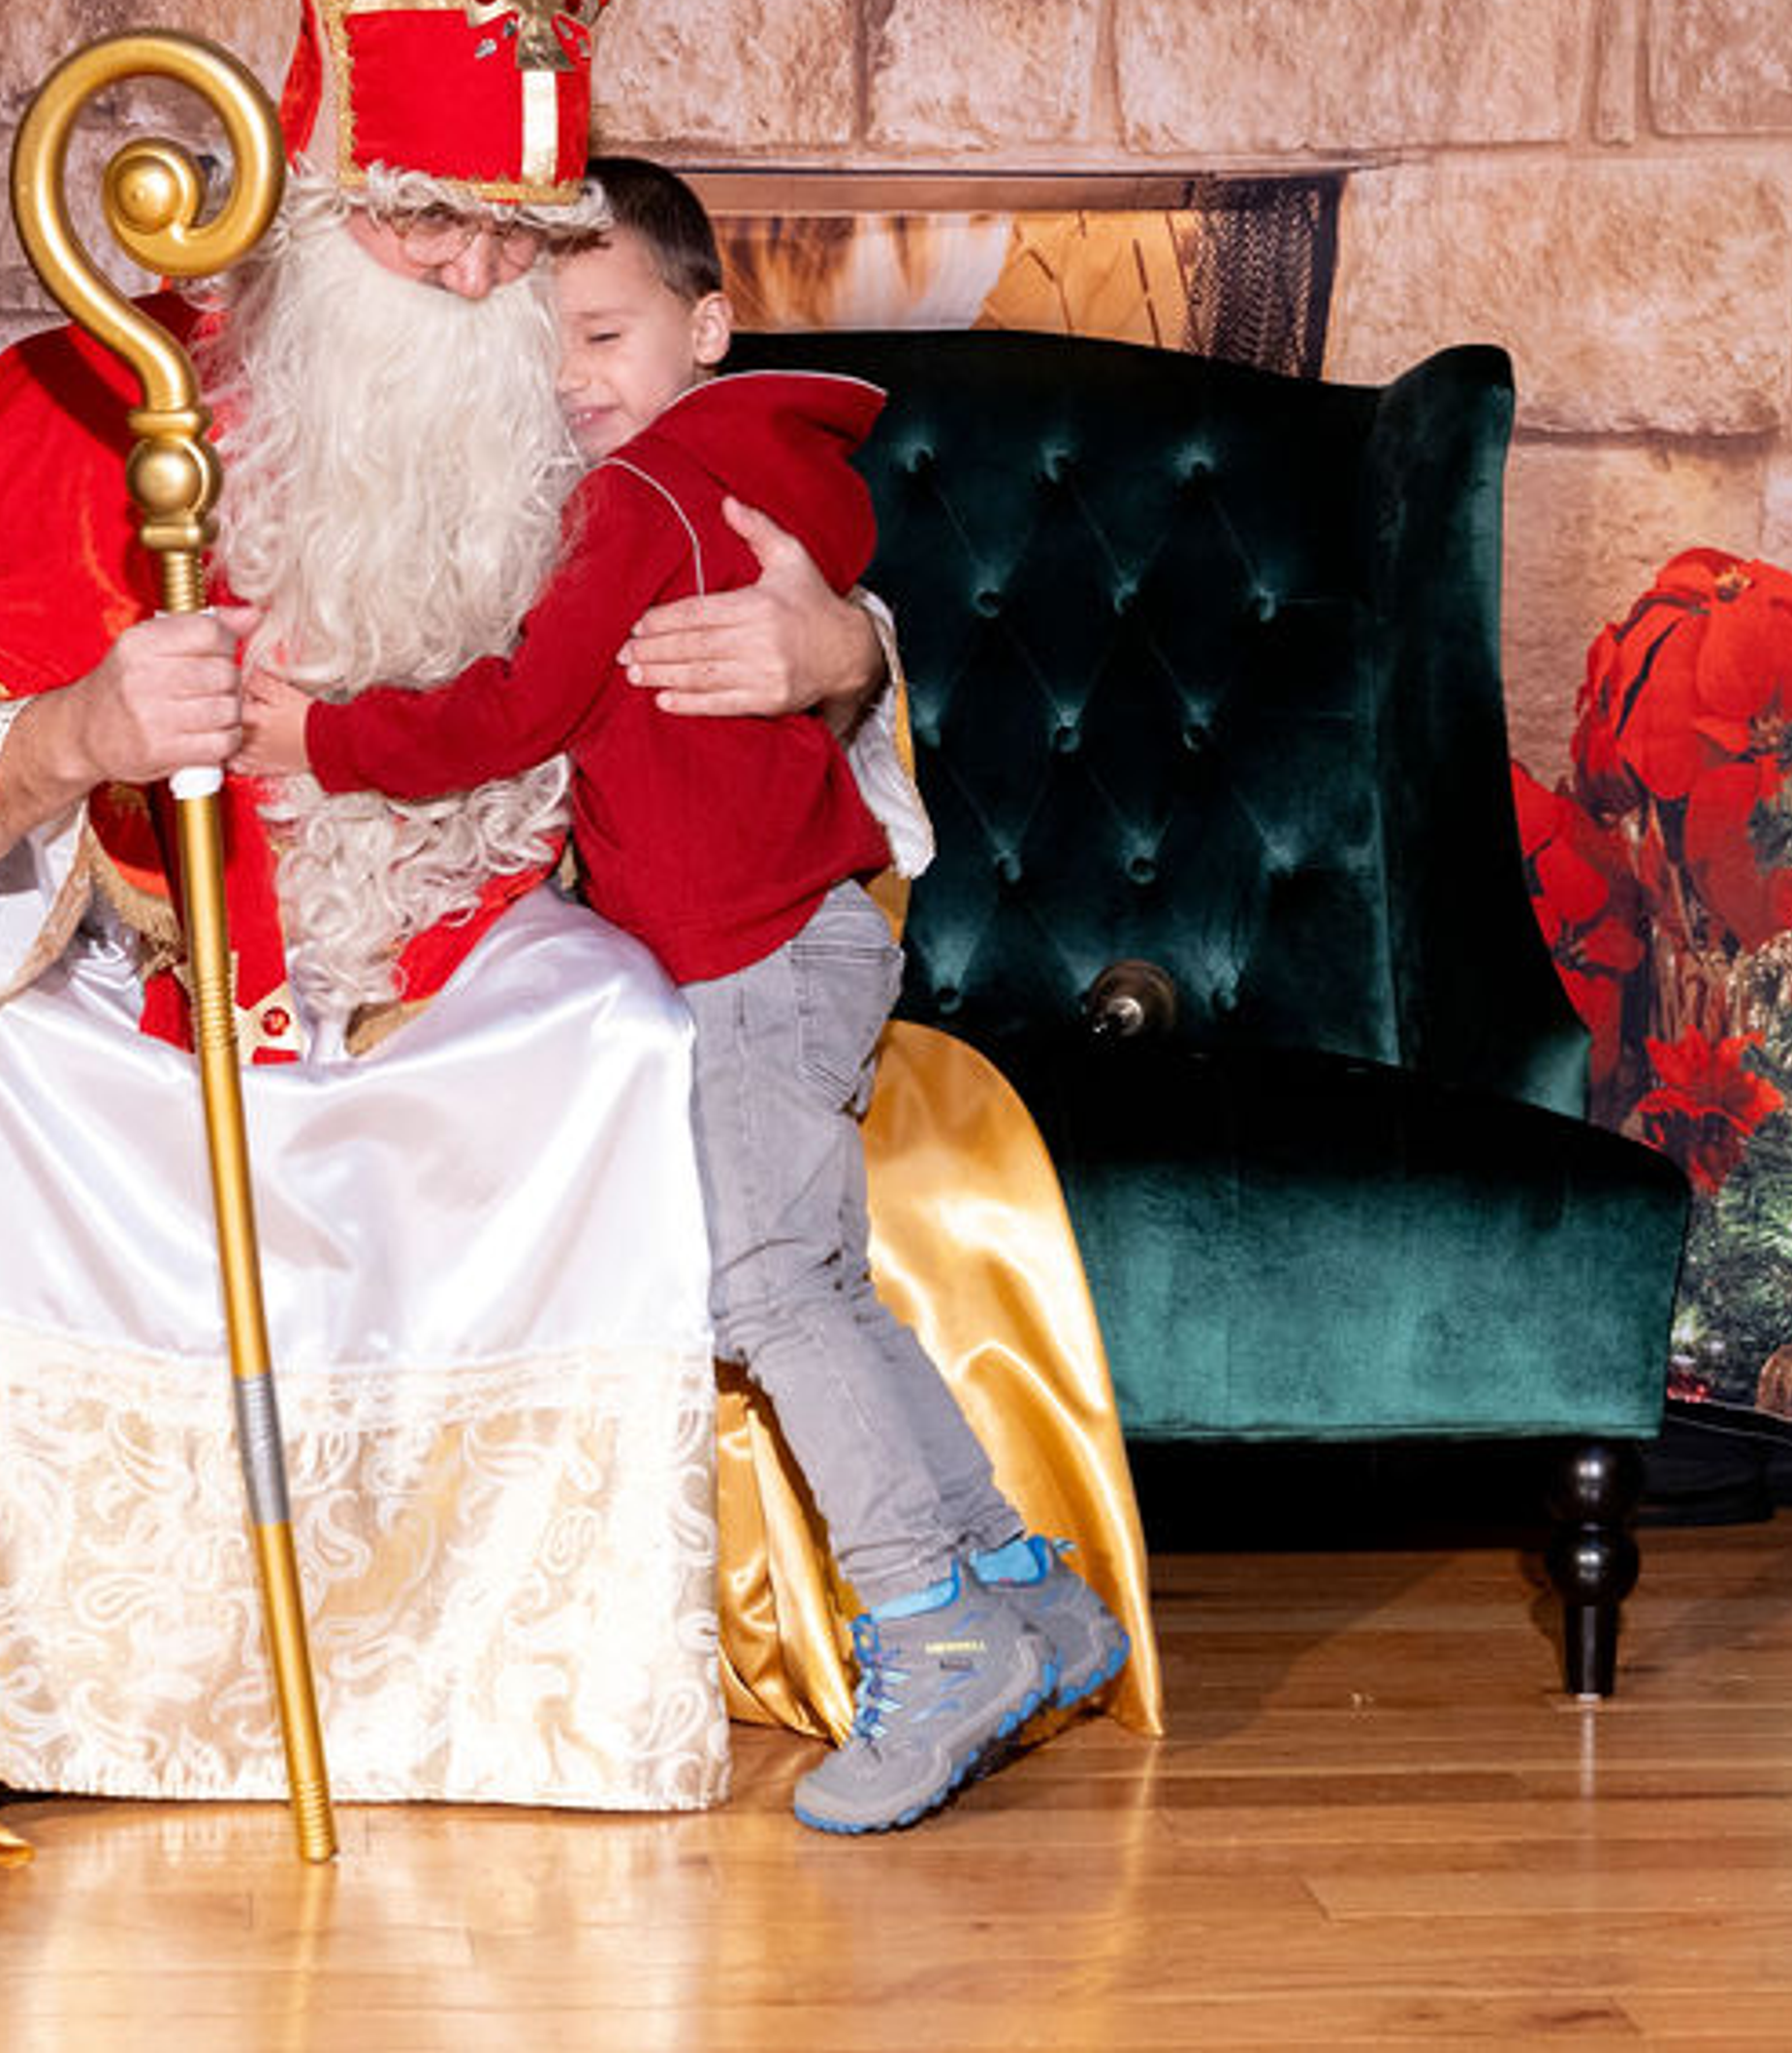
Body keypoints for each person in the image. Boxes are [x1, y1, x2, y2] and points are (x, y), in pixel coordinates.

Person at [0, 0, 1163, 1814]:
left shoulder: (587, 430)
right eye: (425, 231)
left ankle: (564, 1687)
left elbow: (795, 718)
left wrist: (841, 656)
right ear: (314, 197)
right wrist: (79, 729)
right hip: (159, 1003)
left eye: (514, 238)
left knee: (653, 1090)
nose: (482, 283)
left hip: (497, 971)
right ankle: (45, 1678)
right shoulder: (103, 416)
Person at [238, 159, 1126, 1831]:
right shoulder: (738, 467)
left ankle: (932, 1636)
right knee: (824, 1287)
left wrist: (319, 738)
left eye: (605, 331)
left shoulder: (641, 498)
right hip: (798, 930)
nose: (571, 374)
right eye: (543, 344)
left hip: (756, 947)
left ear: (707, 327)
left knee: (768, 1293)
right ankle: (1026, 1593)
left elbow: (510, 713)